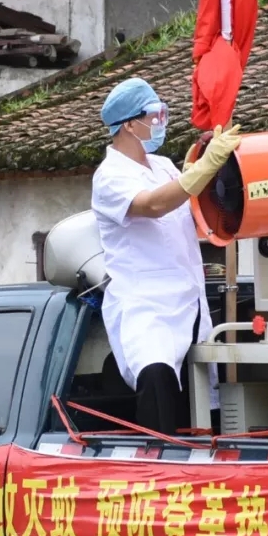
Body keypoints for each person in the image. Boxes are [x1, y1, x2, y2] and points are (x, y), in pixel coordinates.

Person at [91, 76, 241, 434]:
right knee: (156, 376)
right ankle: (160, 459)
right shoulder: (109, 176)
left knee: (200, 400)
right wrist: (202, 170)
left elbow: (191, 203)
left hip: (188, 302)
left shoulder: (162, 167)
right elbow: (153, 205)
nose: (160, 123)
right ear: (129, 124)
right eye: (154, 116)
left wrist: (212, 168)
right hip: (147, 307)